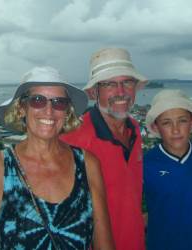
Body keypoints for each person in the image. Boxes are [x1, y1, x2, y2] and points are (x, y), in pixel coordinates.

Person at [0, 66, 114, 250]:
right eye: (38, 100)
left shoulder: (87, 164)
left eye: (59, 102)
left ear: (67, 111)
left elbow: (105, 245)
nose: (49, 111)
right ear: (22, 108)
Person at [61, 48, 147, 250]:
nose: (121, 92)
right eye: (109, 84)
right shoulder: (74, 139)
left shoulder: (134, 128)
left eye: (127, 82)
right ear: (93, 92)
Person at [143, 89, 192, 250]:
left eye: (182, 121)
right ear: (156, 127)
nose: (175, 129)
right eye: (166, 122)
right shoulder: (146, 163)